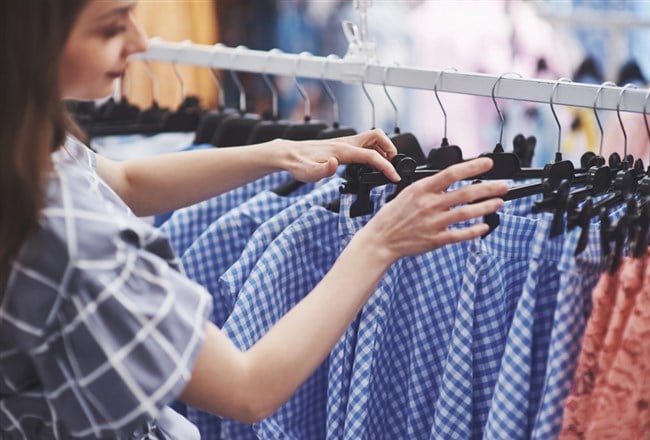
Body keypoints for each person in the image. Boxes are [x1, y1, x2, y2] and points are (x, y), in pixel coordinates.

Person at [0, 1, 508, 438]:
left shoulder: (29, 148)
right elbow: (248, 389)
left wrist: (277, 152)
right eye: (112, 26)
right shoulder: (69, 236)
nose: (139, 40)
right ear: (31, 37)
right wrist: (379, 242)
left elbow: (126, 182)